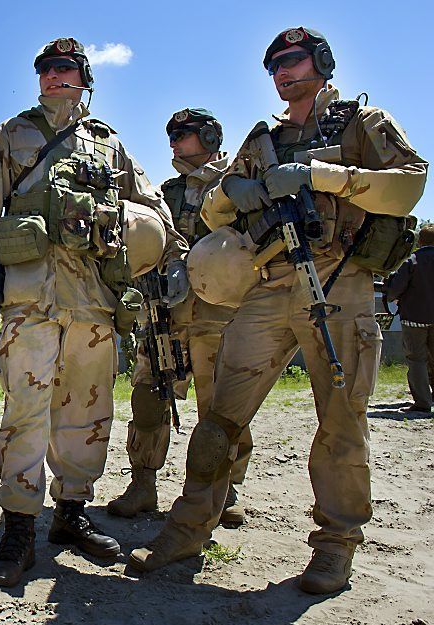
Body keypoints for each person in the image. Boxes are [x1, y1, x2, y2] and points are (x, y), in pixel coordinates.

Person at [128, 27, 427, 596]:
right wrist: (229, 197)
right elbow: (220, 208)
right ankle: (190, 527)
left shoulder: (362, 125)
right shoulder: (263, 139)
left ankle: (336, 547)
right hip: (268, 285)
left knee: (340, 424)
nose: (282, 73)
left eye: (292, 61)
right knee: (219, 417)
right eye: (273, 67)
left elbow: (408, 188)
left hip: (340, 283)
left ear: (320, 61)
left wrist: (323, 176)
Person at [0, 37, 189, 587]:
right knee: (26, 412)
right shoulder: (11, 137)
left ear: (84, 76)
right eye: (44, 69)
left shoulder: (109, 145)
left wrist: (171, 255)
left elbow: (151, 206)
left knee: (87, 410)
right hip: (28, 298)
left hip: (94, 300)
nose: (53, 77)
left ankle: (71, 513)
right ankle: (18, 525)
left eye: (65, 68)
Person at [107, 109, 253, 527]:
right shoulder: (162, 192)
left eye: (183, 134)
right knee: (148, 399)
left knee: (221, 407)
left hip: (215, 317)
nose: (173, 141)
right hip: (163, 316)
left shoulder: (234, 188)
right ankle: (143, 484)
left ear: (208, 136)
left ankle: (223, 491)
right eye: (170, 134)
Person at [384, 224, 434, 414]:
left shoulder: (412, 261)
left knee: (416, 360)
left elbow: (395, 289)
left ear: (420, 241)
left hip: (415, 319)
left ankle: (422, 403)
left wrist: (392, 295)